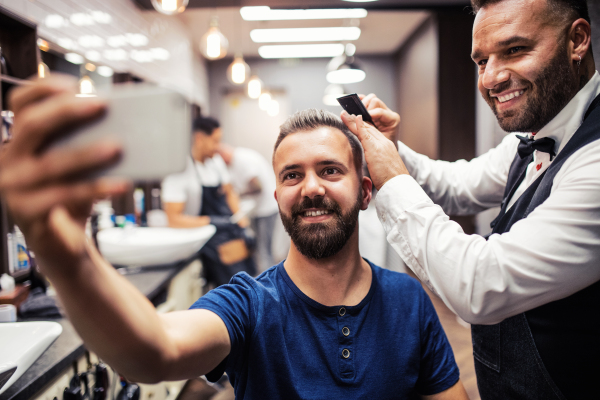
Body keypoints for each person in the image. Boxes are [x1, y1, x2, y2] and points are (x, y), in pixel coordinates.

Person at [0, 84, 468, 399]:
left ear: (365, 191)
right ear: (277, 196)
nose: (310, 188)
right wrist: (68, 254)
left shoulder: (409, 301)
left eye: (330, 170)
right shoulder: (249, 304)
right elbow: (153, 352)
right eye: (292, 175)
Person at [341, 0, 599, 398]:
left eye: (515, 50)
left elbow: (482, 284)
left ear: (577, 40)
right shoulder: (529, 138)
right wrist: (393, 149)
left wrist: (391, 177)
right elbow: (456, 185)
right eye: (481, 61)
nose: (491, 77)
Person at [161, 116, 255, 287]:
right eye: (215, 141)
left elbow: (229, 192)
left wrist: (239, 217)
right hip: (203, 237)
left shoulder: (216, 162)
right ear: (199, 139)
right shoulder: (180, 169)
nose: (218, 147)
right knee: (235, 287)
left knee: (249, 277)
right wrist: (211, 222)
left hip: (226, 231)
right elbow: (173, 219)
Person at [217, 143, 280, 272]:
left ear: (223, 155)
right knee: (258, 247)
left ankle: (268, 284)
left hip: (267, 208)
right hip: (259, 209)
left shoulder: (243, 160)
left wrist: (238, 193)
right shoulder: (235, 161)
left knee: (263, 249)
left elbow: (258, 187)